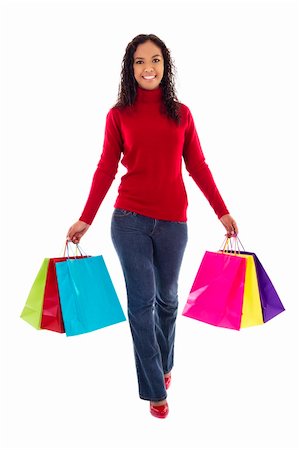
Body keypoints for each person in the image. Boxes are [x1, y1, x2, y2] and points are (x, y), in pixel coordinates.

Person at [66, 34, 238, 419]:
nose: (148, 67)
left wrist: (222, 212)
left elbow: (198, 167)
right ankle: (155, 390)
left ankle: (163, 364)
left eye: (156, 60)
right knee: (141, 304)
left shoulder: (182, 114)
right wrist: (86, 218)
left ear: (165, 65)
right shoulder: (118, 115)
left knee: (168, 301)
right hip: (129, 221)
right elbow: (106, 169)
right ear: (130, 68)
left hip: (175, 223)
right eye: (140, 61)